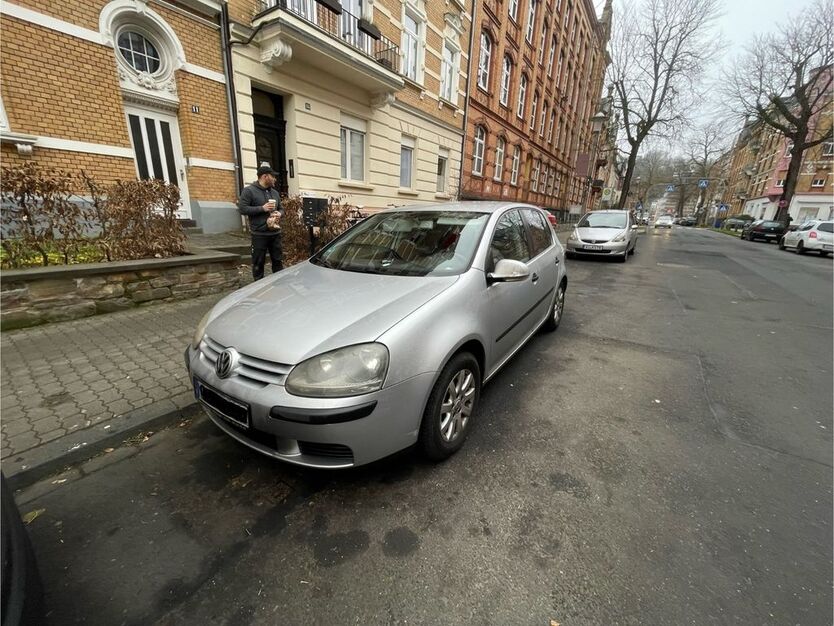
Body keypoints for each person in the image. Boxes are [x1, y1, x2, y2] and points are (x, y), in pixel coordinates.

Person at [238, 164, 283, 280]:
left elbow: (281, 208)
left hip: (275, 233)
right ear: (265, 176)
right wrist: (262, 208)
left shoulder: (275, 193)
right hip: (259, 234)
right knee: (258, 263)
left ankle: (280, 287)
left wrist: (280, 213)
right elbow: (242, 209)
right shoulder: (249, 191)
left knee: (278, 262)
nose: (275, 179)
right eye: (273, 176)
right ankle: (257, 289)